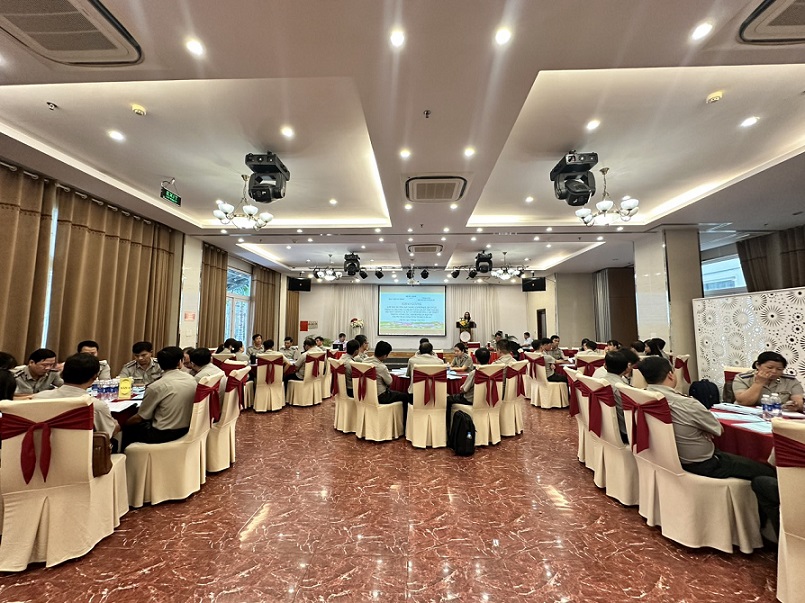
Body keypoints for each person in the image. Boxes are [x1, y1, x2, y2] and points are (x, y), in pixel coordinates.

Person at [640, 356, 776, 482]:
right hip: (702, 464)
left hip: (664, 458)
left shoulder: (642, 397)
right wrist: (702, 429)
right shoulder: (686, 403)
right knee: (768, 471)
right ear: (670, 375)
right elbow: (718, 429)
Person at [122, 346, 199, 449]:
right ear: (180, 362)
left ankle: (125, 456)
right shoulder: (192, 379)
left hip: (163, 433)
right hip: (188, 429)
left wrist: (123, 423)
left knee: (129, 428)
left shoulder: (156, 387)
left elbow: (140, 417)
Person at [33, 353, 118, 440]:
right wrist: (115, 425)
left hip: (42, 447)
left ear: (62, 374)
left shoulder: (39, 398)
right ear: (94, 377)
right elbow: (107, 434)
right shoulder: (95, 406)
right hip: (82, 448)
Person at [733, 351, 804, 411]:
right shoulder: (743, 378)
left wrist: (794, 406)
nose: (774, 371)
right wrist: (759, 383)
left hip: (777, 415)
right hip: (746, 413)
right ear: (758, 365)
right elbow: (744, 402)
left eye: (779, 369)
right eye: (769, 367)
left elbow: (798, 402)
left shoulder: (791, 381)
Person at [363, 341, 412, 417]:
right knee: (405, 396)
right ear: (385, 355)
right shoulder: (381, 367)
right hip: (380, 396)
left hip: (365, 393)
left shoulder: (365, 361)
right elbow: (390, 382)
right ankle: (405, 421)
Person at [446, 347, 490, 422]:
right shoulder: (494, 371)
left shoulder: (475, 373)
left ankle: (448, 424)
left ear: (476, 359)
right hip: (488, 398)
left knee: (448, 399)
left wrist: (461, 388)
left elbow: (464, 390)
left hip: (470, 400)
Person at [597, 351, 631, 444]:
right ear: (627, 368)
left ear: (605, 366)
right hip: (624, 432)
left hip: (604, 427)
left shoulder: (598, 382)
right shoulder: (621, 388)